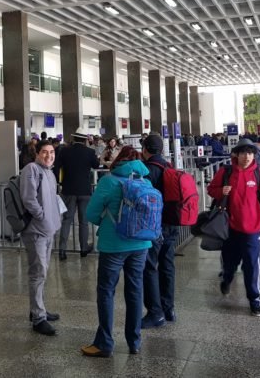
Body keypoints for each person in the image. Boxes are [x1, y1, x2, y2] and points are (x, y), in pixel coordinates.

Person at [82, 146, 151, 357]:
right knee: (135, 290)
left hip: (113, 245)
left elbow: (91, 214)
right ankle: (135, 342)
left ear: (118, 160)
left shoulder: (109, 181)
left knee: (106, 291)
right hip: (141, 244)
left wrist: (106, 221)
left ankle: (104, 343)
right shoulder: (145, 181)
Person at [207, 138, 260, 316]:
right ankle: (227, 279)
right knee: (229, 263)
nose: (247, 157)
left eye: (250, 153)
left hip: (252, 229)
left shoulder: (258, 174)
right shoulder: (226, 172)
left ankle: (255, 299)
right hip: (229, 228)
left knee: (252, 265)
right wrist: (221, 191)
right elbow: (211, 189)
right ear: (236, 154)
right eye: (243, 153)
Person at [20, 140, 64, 336]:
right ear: (37, 153)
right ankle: (38, 318)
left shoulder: (49, 171)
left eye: (52, 152)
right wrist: (42, 216)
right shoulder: (31, 169)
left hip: (48, 229)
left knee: (43, 271)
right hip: (37, 231)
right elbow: (29, 199)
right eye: (45, 152)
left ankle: (39, 309)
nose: (49, 156)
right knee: (38, 273)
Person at [140, 134, 177, 328]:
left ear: (145, 150)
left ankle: (155, 312)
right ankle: (169, 308)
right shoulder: (170, 167)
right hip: (171, 225)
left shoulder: (147, 170)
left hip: (154, 227)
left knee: (150, 267)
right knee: (167, 266)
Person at [55, 128, 100, 260]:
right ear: (85, 140)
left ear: (73, 138)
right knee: (83, 222)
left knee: (67, 220)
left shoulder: (64, 151)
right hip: (85, 190)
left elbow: (57, 167)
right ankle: (83, 249)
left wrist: (58, 182)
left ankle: (62, 250)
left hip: (68, 190)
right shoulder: (90, 152)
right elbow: (96, 165)